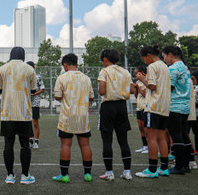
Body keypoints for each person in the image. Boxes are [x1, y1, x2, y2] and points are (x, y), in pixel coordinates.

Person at [0, 47, 37, 185]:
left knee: (8, 144)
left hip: (8, 112)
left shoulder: (3, 68)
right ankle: (25, 176)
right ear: (23, 55)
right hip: (24, 112)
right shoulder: (29, 69)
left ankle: (10, 175)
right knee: (25, 144)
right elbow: (33, 89)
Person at [52, 53, 95, 183]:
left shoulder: (62, 78)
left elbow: (57, 97)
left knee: (66, 144)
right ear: (76, 64)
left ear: (65, 65)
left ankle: (64, 175)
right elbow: (92, 97)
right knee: (85, 144)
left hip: (67, 116)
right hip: (83, 116)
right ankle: (87, 174)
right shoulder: (86, 78)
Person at [135, 45, 171, 178]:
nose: (145, 61)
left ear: (148, 55)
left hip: (153, 106)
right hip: (164, 106)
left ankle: (151, 169)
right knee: (162, 137)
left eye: (144, 58)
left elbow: (152, 85)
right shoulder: (165, 67)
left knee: (151, 137)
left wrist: (141, 79)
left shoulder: (152, 66)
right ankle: (164, 168)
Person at [97, 48, 133, 181]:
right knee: (123, 140)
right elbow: (132, 89)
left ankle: (109, 172)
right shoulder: (125, 72)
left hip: (108, 106)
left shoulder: (104, 71)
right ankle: (127, 171)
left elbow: (101, 91)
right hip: (122, 106)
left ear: (105, 59)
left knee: (107, 140)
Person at [161, 46, 192, 175]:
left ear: (170, 54)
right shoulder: (184, 67)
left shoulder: (173, 69)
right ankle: (185, 165)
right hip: (185, 105)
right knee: (184, 135)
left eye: (164, 57)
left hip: (174, 105)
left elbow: (169, 88)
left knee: (177, 136)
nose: (164, 60)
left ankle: (179, 166)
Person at [26, 61, 45, 149]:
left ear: (34, 67)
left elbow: (42, 89)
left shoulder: (38, 77)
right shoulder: (24, 77)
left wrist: (34, 93)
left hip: (35, 101)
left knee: (35, 122)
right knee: (28, 122)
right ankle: (30, 140)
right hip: (26, 101)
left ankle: (36, 141)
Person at [131, 66, 148, 153]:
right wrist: (136, 89)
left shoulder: (146, 81)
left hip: (145, 107)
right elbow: (136, 95)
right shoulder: (138, 82)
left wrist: (138, 88)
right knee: (141, 127)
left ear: (142, 73)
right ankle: (144, 145)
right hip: (139, 107)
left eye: (137, 73)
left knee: (145, 128)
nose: (136, 75)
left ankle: (149, 146)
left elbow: (145, 94)